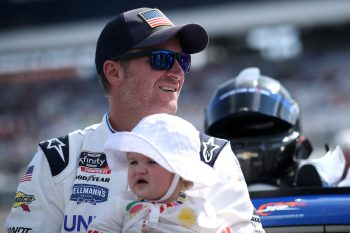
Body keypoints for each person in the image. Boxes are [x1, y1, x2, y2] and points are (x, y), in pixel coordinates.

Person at [5, 7, 262, 233]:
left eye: (183, 61)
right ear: (113, 72)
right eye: (160, 59)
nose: (177, 72)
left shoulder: (213, 156)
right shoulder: (57, 159)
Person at [87, 113, 259, 233]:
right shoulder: (123, 205)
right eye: (133, 162)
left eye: (152, 161)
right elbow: (101, 228)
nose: (139, 169)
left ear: (180, 172)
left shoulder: (197, 208)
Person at [204, 67, 313, 190]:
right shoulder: (195, 194)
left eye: (263, 126)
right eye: (237, 129)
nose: (249, 136)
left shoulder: (321, 184)